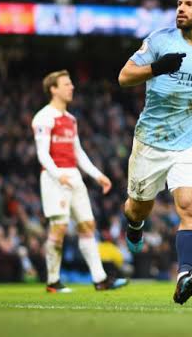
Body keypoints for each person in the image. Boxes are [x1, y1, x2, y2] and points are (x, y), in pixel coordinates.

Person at [118, 0, 192, 305]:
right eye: (180, 3)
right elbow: (124, 77)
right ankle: (135, 224)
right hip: (151, 141)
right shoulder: (159, 40)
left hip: (191, 140)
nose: (180, 8)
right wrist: (158, 68)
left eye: (189, 4)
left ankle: (184, 275)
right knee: (138, 207)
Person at [32, 70, 128, 293]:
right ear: (53, 89)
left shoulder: (71, 119)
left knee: (87, 226)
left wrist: (97, 175)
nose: (72, 87)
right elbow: (42, 153)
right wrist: (58, 175)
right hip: (54, 177)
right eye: (66, 84)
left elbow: (78, 152)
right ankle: (53, 282)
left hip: (73, 175)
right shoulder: (43, 117)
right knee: (59, 228)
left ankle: (100, 279)